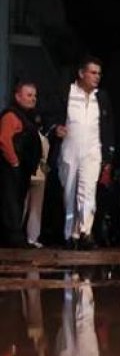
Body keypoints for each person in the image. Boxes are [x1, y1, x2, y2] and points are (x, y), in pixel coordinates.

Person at [53, 55, 115, 250]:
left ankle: (85, 232)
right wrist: (55, 127)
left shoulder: (101, 97)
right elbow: (52, 114)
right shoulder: (67, 92)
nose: (97, 77)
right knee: (70, 192)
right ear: (81, 73)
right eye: (93, 72)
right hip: (70, 149)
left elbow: (108, 126)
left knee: (88, 192)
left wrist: (108, 153)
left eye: (99, 73)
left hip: (92, 150)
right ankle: (70, 234)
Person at [0, 81, 42, 248]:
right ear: (18, 96)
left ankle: (15, 237)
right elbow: (4, 140)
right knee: (10, 203)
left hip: (21, 170)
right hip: (10, 169)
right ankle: (13, 238)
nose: (33, 99)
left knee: (17, 202)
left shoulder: (27, 117)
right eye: (29, 95)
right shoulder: (11, 115)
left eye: (35, 96)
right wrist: (15, 163)